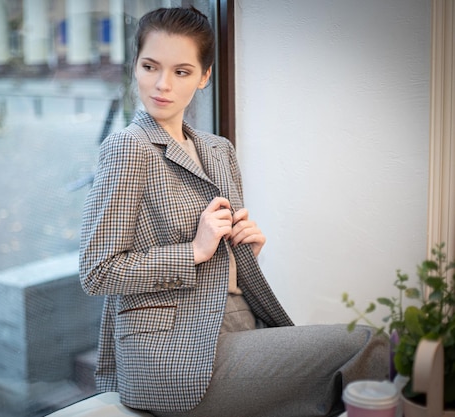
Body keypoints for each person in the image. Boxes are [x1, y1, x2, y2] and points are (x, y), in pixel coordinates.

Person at [79, 6, 389, 417]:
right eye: (150, 66)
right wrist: (194, 250)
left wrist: (243, 252)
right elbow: (97, 270)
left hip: (235, 323)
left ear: (205, 77)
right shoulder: (128, 148)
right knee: (369, 344)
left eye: (181, 71)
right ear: (135, 65)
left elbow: (218, 264)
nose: (161, 84)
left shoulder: (218, 150)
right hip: (171, 354)